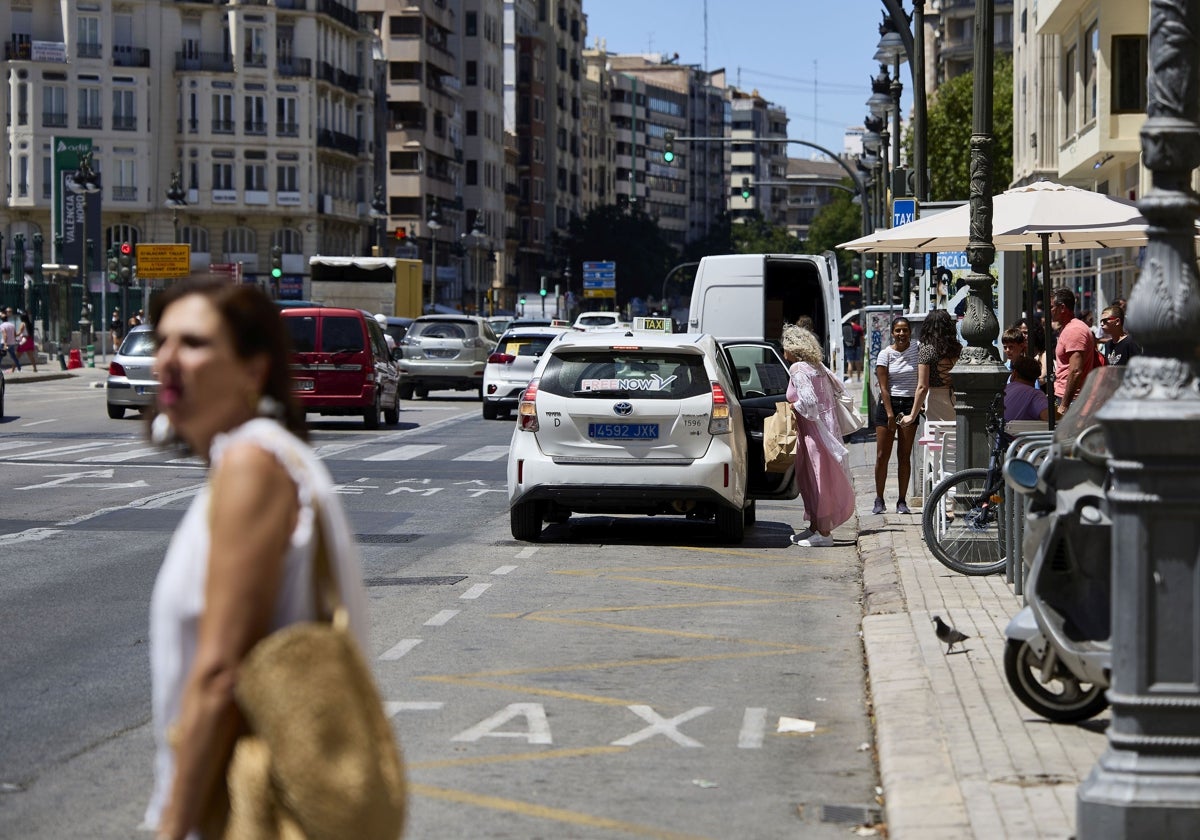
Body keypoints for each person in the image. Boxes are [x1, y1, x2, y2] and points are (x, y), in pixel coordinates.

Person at [143, 280, 369, 839]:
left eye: (194, 343)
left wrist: (172, 825)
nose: (169, 358)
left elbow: (221, 673)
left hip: (249, 806)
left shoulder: (252, 464)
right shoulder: (257, 459)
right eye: (162, 341)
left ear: (253, 370)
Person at [782, 324, 855, 547]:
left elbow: (810, 402)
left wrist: (794, 408)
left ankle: (823, 533)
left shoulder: (797, 369)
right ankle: (815, 527)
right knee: (817, 479)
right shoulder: (818, 366)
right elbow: (839, 388)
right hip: (826, 430)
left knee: (816, 480)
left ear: (793, 349)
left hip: (814, 433)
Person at [872, 316, 919, 516]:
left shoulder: (917, 350)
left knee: (904, 456)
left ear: (910, 332)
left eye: (905, 330)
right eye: (898, 330)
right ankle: (879, 498)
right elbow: (883, 387)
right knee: (882, 455)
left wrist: (919, 405)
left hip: (909, 405)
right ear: (892, 333)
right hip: (888, 406)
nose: (901, 334)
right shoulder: (885, 355)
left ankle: (901, 500)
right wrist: (890, 414)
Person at [901, 308, 961, 427]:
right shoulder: (958, 348)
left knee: (937, 440)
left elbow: (922, 387)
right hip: (957, 399)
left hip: (936, 400)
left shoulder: (927, 350)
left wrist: (912, 416)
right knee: (954, 439)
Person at [1050, 286, 1097, 417]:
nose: (1049, 311)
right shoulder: (1069, 328)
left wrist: (1064, 405)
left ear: (1062, 308)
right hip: (1070, 399)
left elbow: (1075, 371)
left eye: (1052, 307)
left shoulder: (1074, 330)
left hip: (1073, 402)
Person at [1004, 356, 1050, 422]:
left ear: (1014, 373)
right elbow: (1048, 417)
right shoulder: (1035, 395)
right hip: (1015, 431)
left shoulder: (1004, 389)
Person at [1100, 302, 1141, 366]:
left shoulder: (1131, 343)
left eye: (1105, 320)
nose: (1102, 324)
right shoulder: (1108, 344)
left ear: (1117, 321)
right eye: (1101, 321)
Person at [843, 314, 864, 379]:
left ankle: (850, 378)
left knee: (850, 362)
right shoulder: (858, 327)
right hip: (857, 346)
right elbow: (862, 338)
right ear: (856, 321)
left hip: (848, 346)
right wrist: (862, 346)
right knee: (858, 362)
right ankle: (858, 378)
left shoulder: (846, 327)